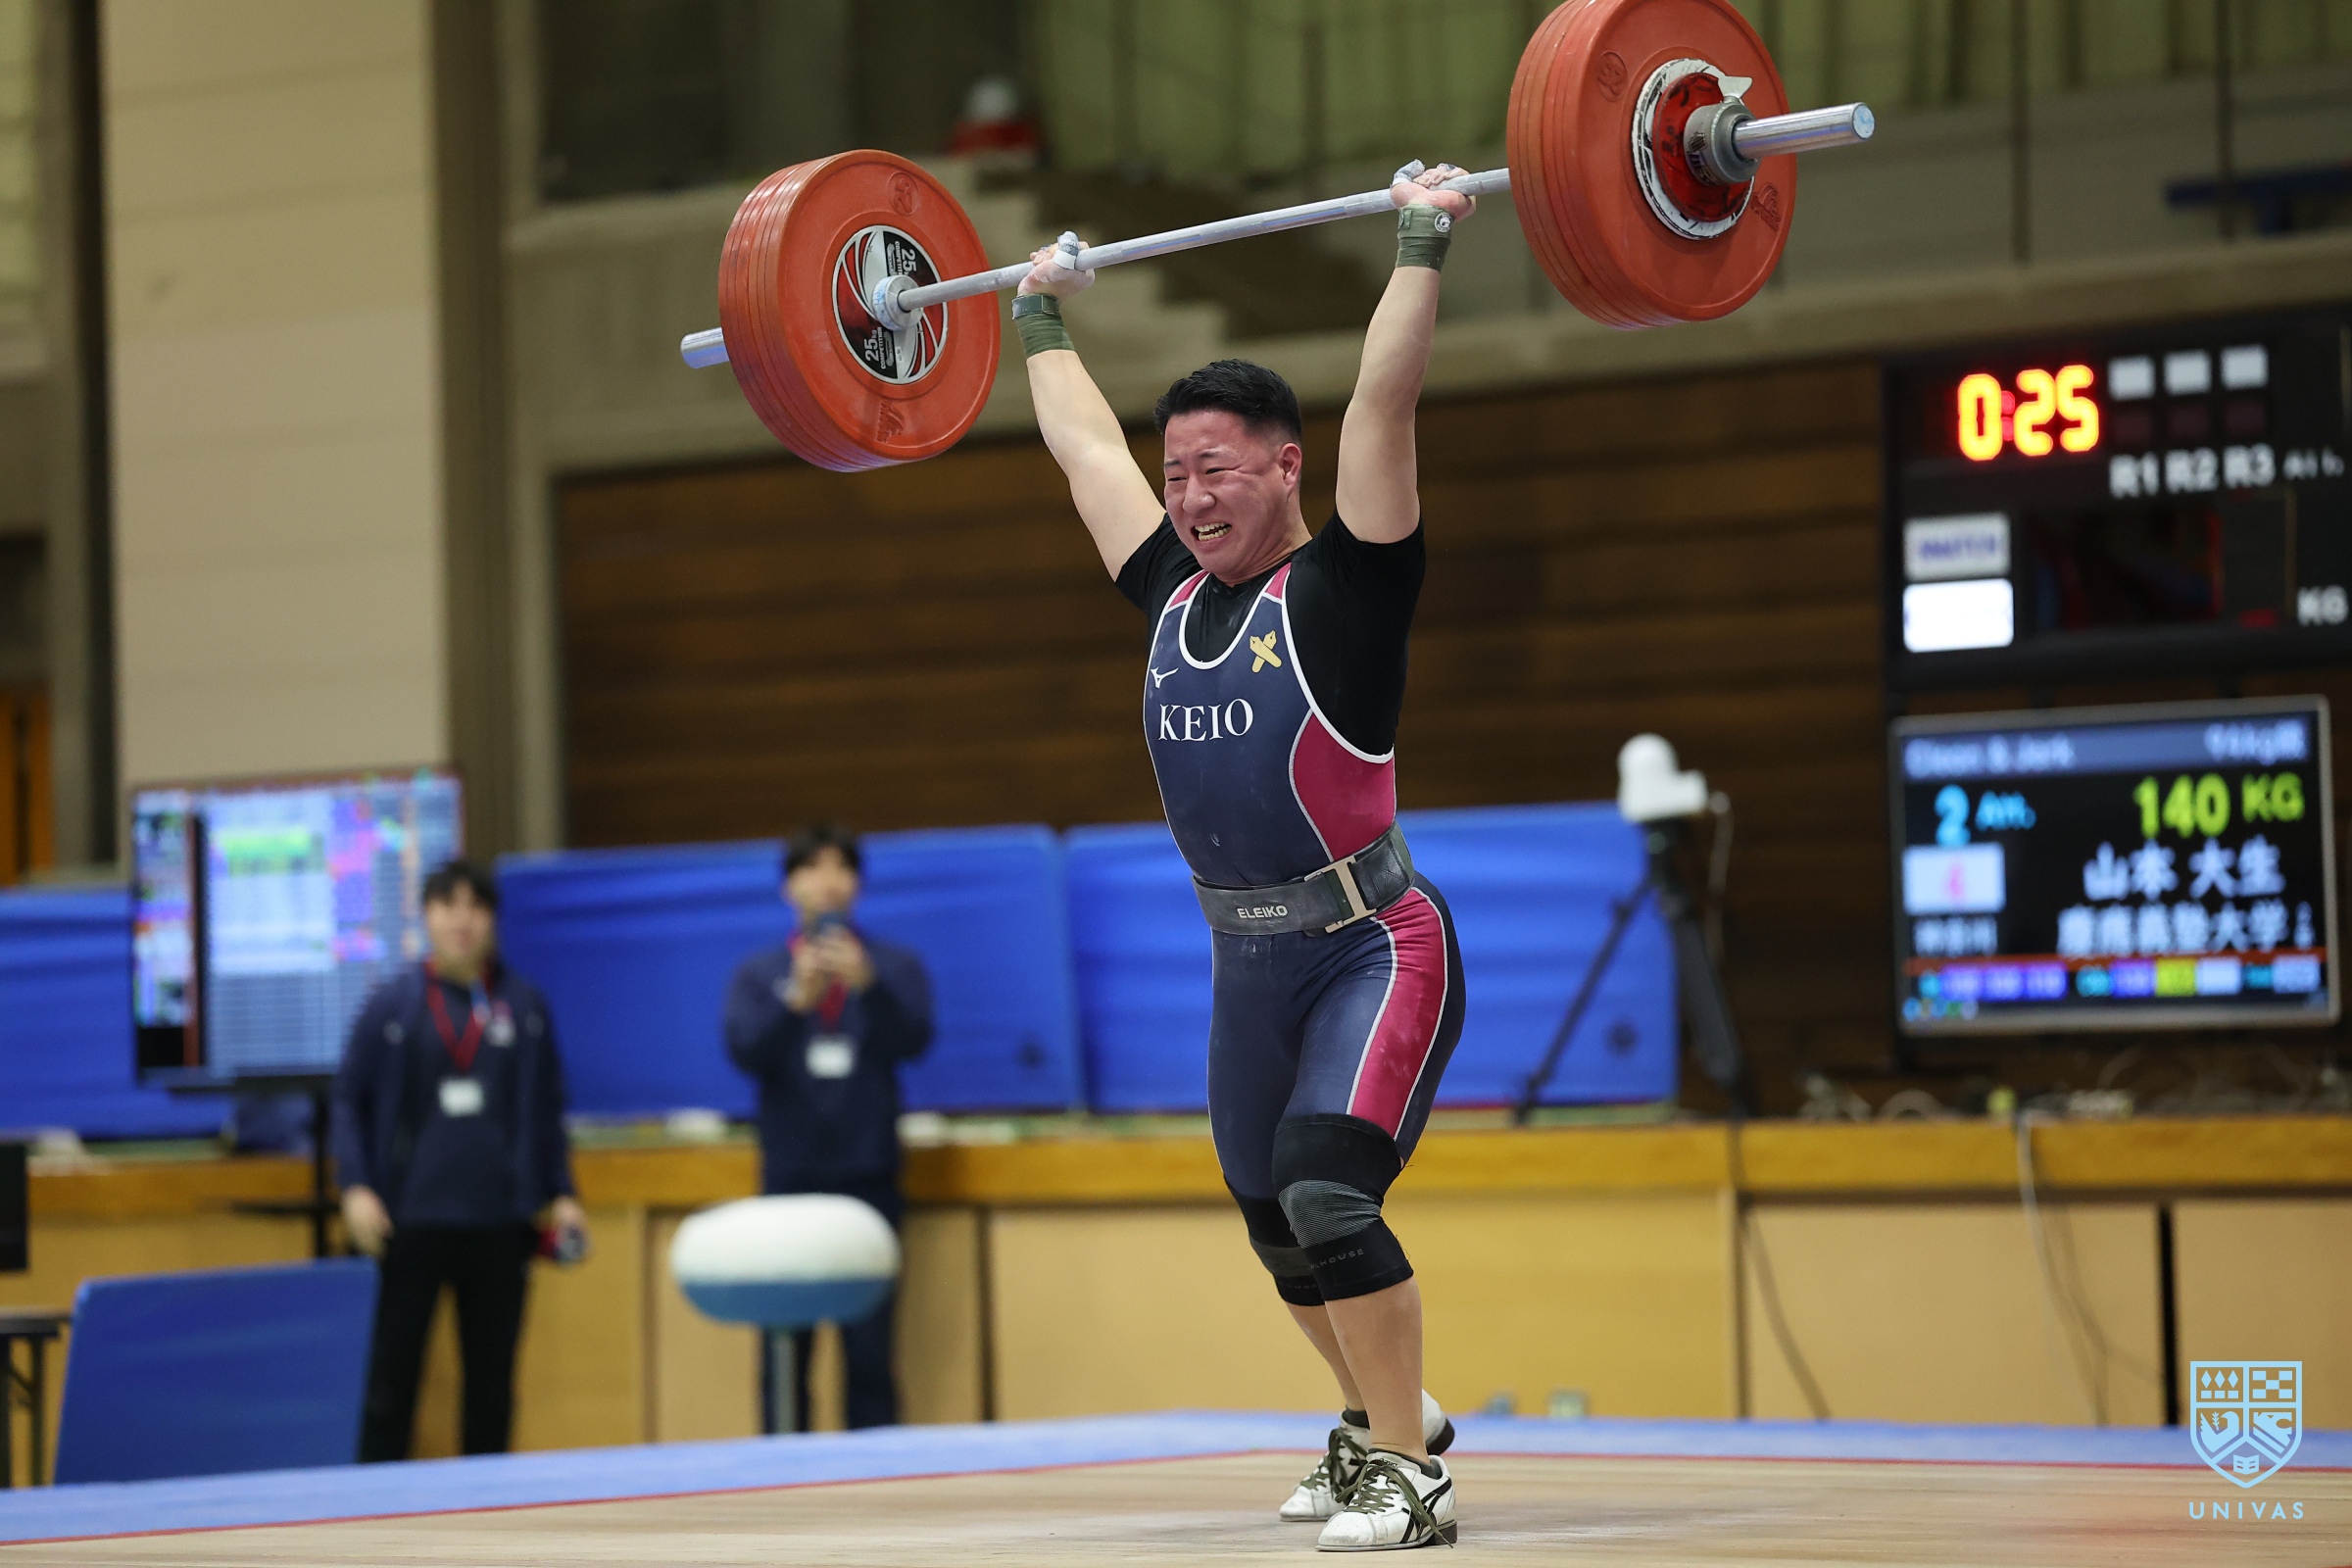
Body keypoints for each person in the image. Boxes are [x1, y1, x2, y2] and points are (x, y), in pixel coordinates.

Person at [1015, 165, 1474, 1550]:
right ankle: (1384, 1415)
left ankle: (1410, 1472)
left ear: (1284, 466)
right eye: (1179, 476)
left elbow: (1384, 405)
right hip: (1248, 963)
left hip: (1372, 945)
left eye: (1217, 469)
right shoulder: (1169, 593)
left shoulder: (1347, 587)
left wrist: (1420, 239)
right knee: (1276, 1222)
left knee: (1330, 1189)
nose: (1190, 497)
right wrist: (1039, 315)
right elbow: (1085, 454)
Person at [332, 859, 585, 1462]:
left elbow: (547, 1109)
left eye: (476, 906)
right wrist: (356, 1186)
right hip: (408, 1223)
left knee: (492, 1389)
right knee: (390, 1384)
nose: (462, 920)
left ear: (492, 919)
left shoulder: (524, 1006)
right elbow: (348, 1099)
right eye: (449, 906)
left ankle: (488, 1510)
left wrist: (563, 1193)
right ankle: (376, 1505)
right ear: (427, 916)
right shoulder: (393, 1006)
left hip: (500, 1223)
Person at [724, 822, 934, 1431]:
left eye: (841, 867)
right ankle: (782, 1469)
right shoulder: (761, 973)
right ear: (789, 886)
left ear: (858, 884)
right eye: (811, 868)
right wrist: (795, 1002)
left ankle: (875, 1472)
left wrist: (869, 987)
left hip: (868, 1175)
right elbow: (745, 1053)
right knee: (784, 1350)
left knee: (869, 1351)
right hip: (791, 1177)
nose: (827, 881)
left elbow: (915, 1040)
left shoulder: (892, 965)